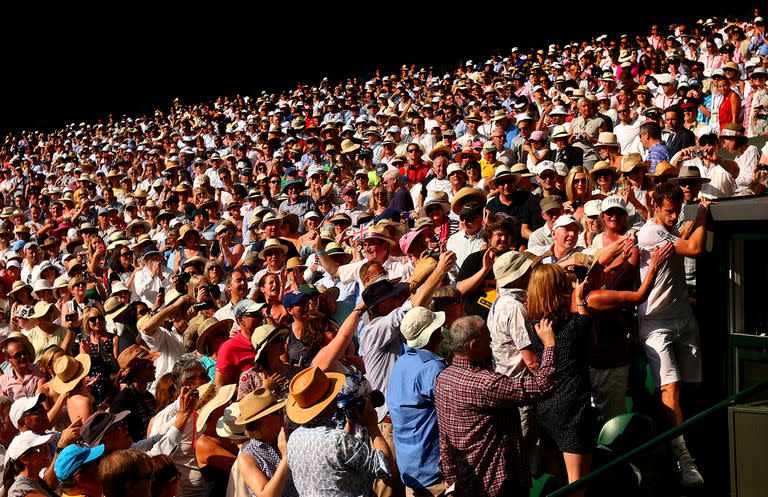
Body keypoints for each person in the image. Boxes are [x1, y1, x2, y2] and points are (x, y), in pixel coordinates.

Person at [636, 182, 711, 487]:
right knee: (671, 389)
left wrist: (689, 219)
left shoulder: (669, 226)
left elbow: (680, 234)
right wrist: (703, 214)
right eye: (668, 211)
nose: (673, 216)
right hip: (656, 323)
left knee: (693, 388)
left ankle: (681, 442)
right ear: (655, 207)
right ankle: (683, 458)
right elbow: (693, 247)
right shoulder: (649, 233)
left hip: (684, 318)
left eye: (677, 210)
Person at [434, 315, 557, 497]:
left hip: (468, 480)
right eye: (487, 336)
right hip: (497, 483)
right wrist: (549, 345)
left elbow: (444, 436)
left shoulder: (443, 378)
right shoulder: (485, 383)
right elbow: (542, 386)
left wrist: (451, 477)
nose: (492, 340)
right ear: (474, 346)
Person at [527, 264, 592, 485]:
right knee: (577, 483)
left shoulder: (533, 325)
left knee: (557, 479)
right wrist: (580, 300)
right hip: (573, 408)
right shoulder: (576, 325)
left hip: (545, 407)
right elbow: (591, 340)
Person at [286, 366, 393, 497]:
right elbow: (385, 466)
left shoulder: (293, 439)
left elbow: (338, 460)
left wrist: (350, 425)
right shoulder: (337, 441)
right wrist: (372, 426)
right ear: (329, 400)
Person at [386, 307, 446, 496]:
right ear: (432, 335)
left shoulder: (400, 364)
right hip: (433, 473)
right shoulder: (433, 369)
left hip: (410, 469)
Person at [235, 388, 299, 497]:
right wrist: (285, 458)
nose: (282, 414)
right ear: (262, 420)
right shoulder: (247, 457)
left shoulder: (285, 439)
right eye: (277, 412)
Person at [214, 299, 265, 386]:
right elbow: (219, 386)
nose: (260, 318)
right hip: (243, 399)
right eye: (255, 314)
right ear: (240, 320)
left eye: (260, 314)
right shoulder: (229, 348)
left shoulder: (265, 340)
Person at [2, 431, 58, 497]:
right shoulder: (20, 489)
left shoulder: (37, 482)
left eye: (45, 447)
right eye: (40, 449)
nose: (47, 451)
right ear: (24, 459)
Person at [0, 333, 45, 401]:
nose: (22, 356)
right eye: (17, 355)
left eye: (23, 352)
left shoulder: (39, 369)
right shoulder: (3, 381)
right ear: (8, 360)